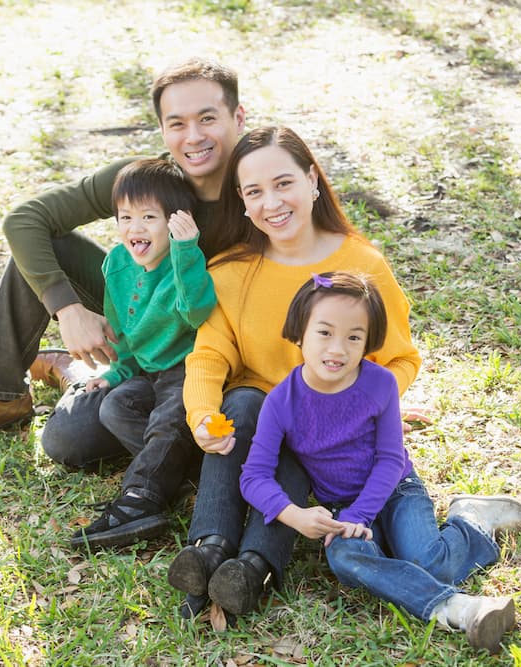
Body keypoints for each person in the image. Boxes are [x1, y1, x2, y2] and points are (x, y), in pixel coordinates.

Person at [0, 58, 245, 455]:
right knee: (67, 442)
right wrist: (68, 309)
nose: (193, 137)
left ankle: (74, 370)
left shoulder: (263, 181)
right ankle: (1, 395)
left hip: (214, 347)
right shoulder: (144, 180)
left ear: (238, 117)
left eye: (207, 118)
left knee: (80, 438)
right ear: (162, 128)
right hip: (149, 319)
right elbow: (25, 220)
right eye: (176, 123)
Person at [165, 126, 423, 620]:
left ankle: (253, 569)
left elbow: (400, 359)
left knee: (293, 448)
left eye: (283, 183)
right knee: (241, 405)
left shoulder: (360, 267)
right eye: (254, 191)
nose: (272, 203)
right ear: (240, 201)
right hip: (259, 418)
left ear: (312, 180)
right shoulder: (231, 271)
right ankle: (210, 549)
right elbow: (208, 355)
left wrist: (365, 404)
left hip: (330, 433)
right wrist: (200, 415)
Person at [240, 272, 521, 653]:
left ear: (368, 342)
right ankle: (458, 608)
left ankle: (472, 522)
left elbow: (390, 459)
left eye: (354, 337)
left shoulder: (378, 384)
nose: (338, 349)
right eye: (324, 333)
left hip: (396, 489)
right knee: (344, 555)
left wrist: (361, 515)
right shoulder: (281, 401)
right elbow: (253, 476)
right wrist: (295, 515)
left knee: (430, 562)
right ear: (299, 333)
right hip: (341, 506)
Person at [39, 158, 215, 549]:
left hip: (187, 366)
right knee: (113, 408)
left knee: (170, 419)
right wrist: (117, 372)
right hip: (147, 372)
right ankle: (180, 476)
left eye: (149, 217)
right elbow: (126, 337)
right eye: (125, 217)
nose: (134, 228)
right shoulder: (116, 263)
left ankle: (139, 498)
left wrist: (186, 252)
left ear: (175, 221)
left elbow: (196, 311)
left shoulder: (185, 262)